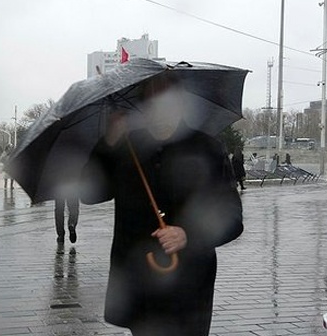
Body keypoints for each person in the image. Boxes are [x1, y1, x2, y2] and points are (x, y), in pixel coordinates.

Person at [80, 81, 243, 336]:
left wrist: (188, 234)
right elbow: (89, 194)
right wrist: (107, 144)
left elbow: (232, 218)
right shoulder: (127, 148)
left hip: (189, 284)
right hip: (139, 280)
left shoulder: (207, 149)